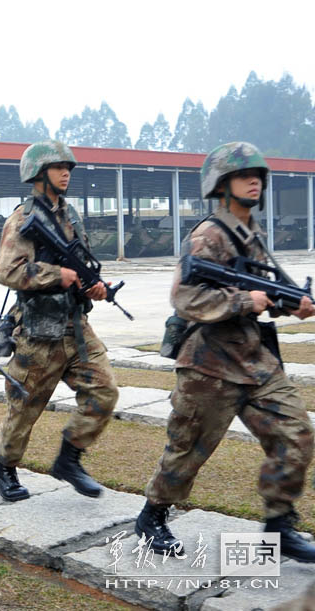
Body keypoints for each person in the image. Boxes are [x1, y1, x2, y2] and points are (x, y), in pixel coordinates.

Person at [135, 142, 315, 562]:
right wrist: (240, 302)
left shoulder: (254, 233)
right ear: (220, 183)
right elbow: (184, 297)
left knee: (297, 433)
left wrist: (297, 303)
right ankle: (152, 517)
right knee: (186, 451)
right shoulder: (208, 234)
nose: (254, 180)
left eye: (258, 174)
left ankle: (278, 523)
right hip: (209, 366)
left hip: (255, 362)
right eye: (242, 174)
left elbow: (273, 288)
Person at [0, 140, 118, 502]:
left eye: (68, 168)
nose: (66, 173)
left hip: (76, 326)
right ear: (38, 173)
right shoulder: (22, 218)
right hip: (38, 332)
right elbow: (7, 271)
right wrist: (53, 275)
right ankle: (3, 467)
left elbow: (79, 265)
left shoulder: (70, 215)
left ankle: (69, 458)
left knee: (104, 392)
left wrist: (92, 286)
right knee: (24, 408)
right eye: (58, 167)